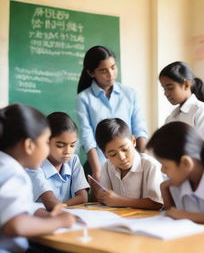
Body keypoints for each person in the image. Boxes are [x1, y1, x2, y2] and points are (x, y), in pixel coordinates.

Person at [0, 104, 75, 253]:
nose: (47, 149)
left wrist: (39, 212)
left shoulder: (4, 165)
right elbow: (16, 225)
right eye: (47, 142)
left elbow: (9, 206)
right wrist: (60, 222)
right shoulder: (14, 173)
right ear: (29, 145)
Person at [76, 45, 148, 181]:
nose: (110, 74)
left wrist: (145, 160)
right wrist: (97, 170)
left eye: (113, 67)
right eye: (103, 70)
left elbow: (139, 128)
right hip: (100, 161)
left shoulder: (130, 94)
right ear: (91, 73)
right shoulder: (84, 98)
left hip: (129, 159)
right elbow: (87, 135)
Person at [92, 118, 163, 210]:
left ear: (133, 141)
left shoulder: (150, 165)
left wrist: (120, 201)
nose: (121, 157)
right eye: (113, 154)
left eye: (125, 149)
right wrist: (101, 196)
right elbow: (106, 199)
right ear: (105, 154)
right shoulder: (107, 166)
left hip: (145, 220)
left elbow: (157, 203)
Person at [27, 112, 90, 211]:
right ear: (46, 142)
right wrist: (63, 206)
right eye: (60, 145)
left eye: (72, 145)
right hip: (42, 218)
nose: (68, 152)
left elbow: (83, 197)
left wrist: (61, 206)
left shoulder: (73, 160)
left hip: (65, 214)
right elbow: (50, 202)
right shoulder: (35, 165)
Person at [159, 61, 204, 142]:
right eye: (164, 88)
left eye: (170, 88)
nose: (166, 93)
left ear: (186, 84)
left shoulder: (201, 110)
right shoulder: (171, 116)